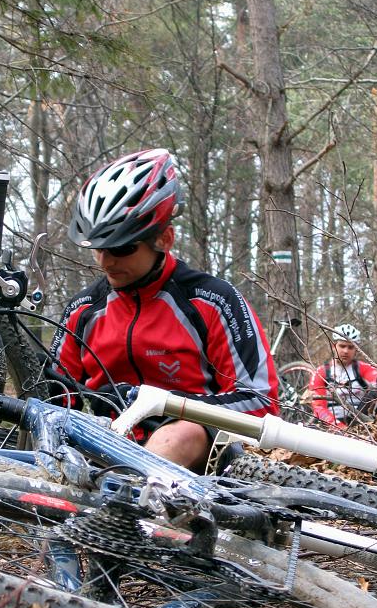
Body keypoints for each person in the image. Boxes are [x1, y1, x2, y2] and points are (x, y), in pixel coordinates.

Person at [50, 148, 279, 470]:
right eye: (98, 248)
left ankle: (130, 505)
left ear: (165, 239)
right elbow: (54, 397)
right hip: (108, 441)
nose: (106, 261)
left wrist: (170, 409)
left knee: (176, 437)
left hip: (200, 450)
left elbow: (261, 400)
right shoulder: (83, 310)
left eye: (121, 248)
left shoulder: (212, 301)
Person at [310, 323, 377, 430]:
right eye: (342, 346)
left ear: (356, 349)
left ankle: (375, 425)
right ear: (334, 346)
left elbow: (374, 375)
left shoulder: (362, 368)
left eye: (351, 347)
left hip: (359, 420)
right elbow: (319, 407)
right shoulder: (321, 372)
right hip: (331, 424)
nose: (346, 351)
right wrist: (340, 427)